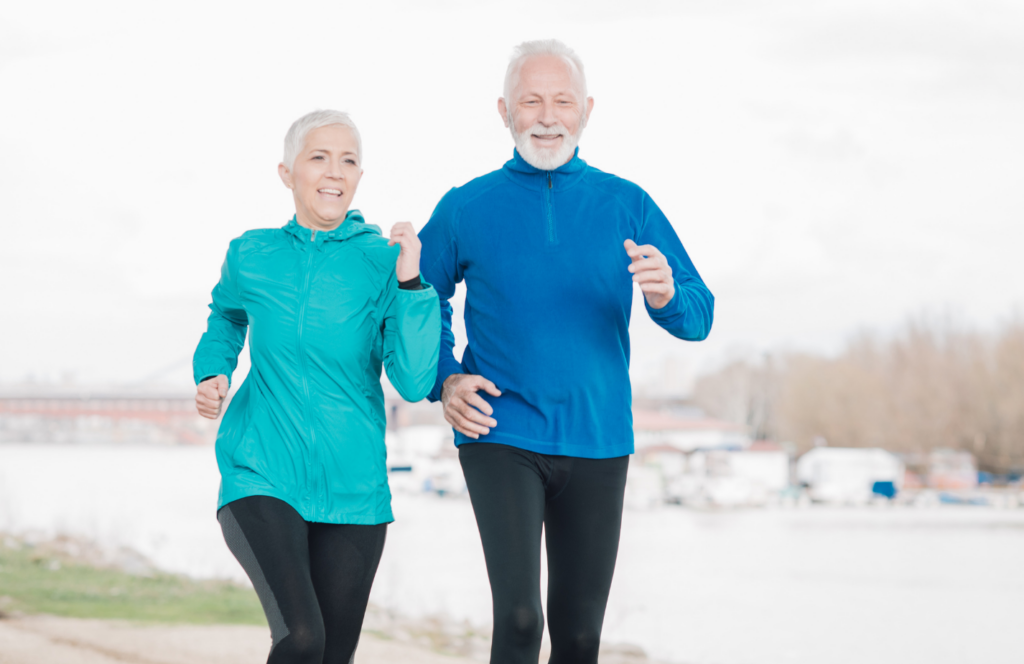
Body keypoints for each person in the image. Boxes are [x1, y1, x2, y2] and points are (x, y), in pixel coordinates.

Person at [418, 40, 714, 664]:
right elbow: (416, 299)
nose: (547, 117)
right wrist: (445, 378)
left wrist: (665, 296)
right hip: (499, 430)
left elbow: (699, 315)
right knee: (520, 620)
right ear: (505, 111)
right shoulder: (465, 206)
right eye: (531, 101)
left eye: (562, 101)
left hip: (599, 437)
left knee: (579, 637)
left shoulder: (627, 203)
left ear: (587, 111)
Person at [193, 109, 440, 664]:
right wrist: (213, 369)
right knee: (302, 638)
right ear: (287, 172)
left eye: (348, 161)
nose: (335, 171)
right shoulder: (251, 254)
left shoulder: (383, 262)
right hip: (260, 471)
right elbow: (226, 315)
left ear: (359, 177)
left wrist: (411, 283)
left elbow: (414, 379)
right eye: (319, 157)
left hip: (355, 490)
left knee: (332, 656)